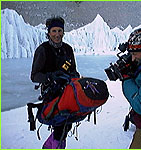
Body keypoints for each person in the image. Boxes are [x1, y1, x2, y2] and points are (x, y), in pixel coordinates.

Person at [31, 16, 80, 149]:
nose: (57, 34)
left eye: (59, 31)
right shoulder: (43, 50)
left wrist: (73, 77)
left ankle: (48, 146)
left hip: (68, 92)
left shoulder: (68, 49)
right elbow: (34, 76)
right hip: (51, 94)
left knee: (66, 124)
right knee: (60, 125)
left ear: (63, 32)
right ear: (49, 33)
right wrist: (50, 77)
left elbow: (74, 70)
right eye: (54, 31)